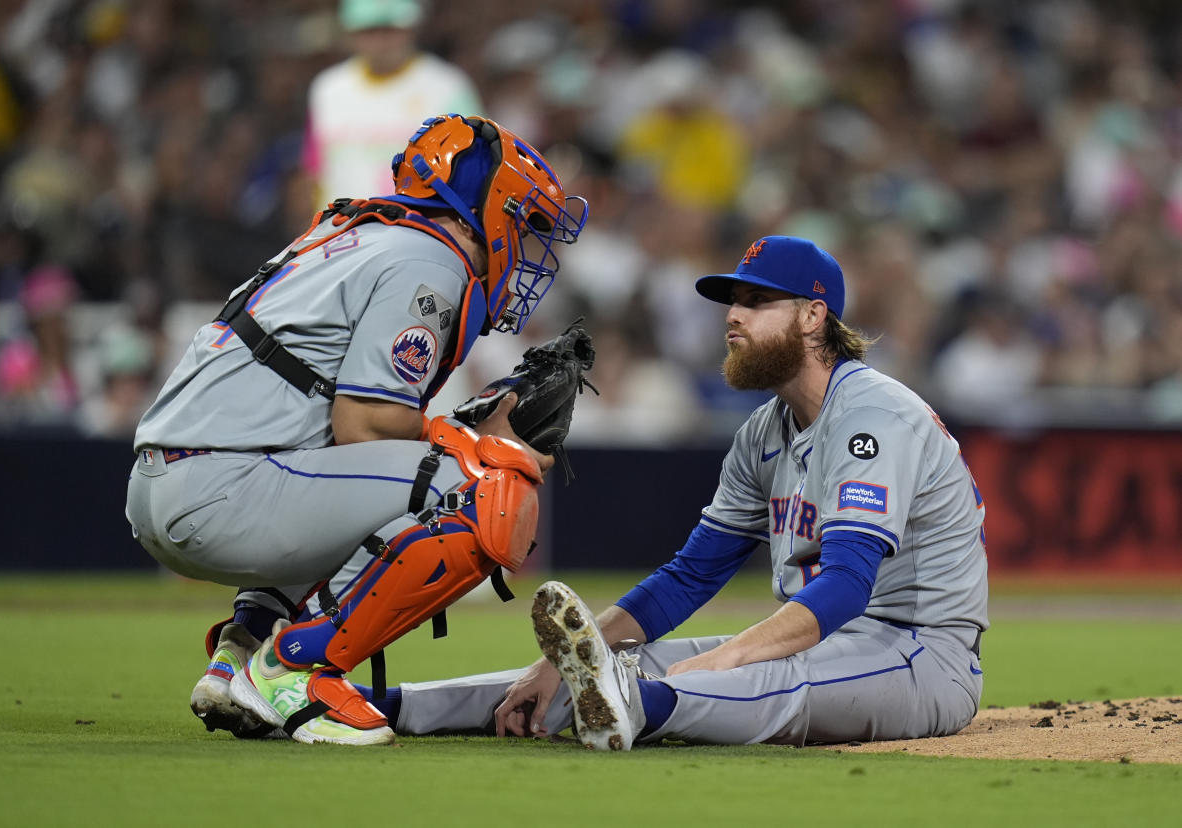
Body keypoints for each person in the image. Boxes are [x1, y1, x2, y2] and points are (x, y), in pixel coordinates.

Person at [372, 235, 988, 749]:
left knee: (758, 683)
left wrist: (721, 661)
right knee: (584, 675)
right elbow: (690, 576)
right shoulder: (763, 433)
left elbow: (849, 586)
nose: (732, 315)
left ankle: (635, 705)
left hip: (918, 653)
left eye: (756, 300)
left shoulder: (873, 416)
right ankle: (380, 704)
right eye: (731, 301)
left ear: (812, 315)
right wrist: (559, 663)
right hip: (821, 641)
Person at [125, 113, 587, 745]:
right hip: (222, 489)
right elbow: (365, 427)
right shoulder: (432, 258)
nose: (530, 241)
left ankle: (240, 655)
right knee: (487, 488)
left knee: (422, 474)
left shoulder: (361, 231)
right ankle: (295, 669)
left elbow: (342, 432)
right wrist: (476, 441)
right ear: (489, 204)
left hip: (177, 481)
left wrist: (453, 429)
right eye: (525, 220)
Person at [302, 0, 482, 206]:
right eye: (369, 31)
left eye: (390, 30)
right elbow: (314, 169)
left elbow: (473, 169)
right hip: (342, 230)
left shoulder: (448, 87)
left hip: (422, 231)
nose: (380, 41)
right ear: (351, 33)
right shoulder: (328, 90)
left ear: (411, 28)